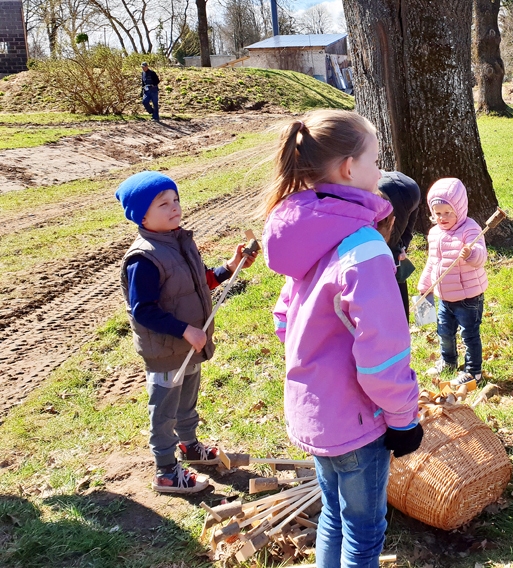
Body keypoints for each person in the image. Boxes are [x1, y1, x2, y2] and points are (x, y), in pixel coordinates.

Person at [262, 110, 423, 568]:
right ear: (350, 169)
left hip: (314, 413)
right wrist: (403, 419)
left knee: (333, 513)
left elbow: (283, 319)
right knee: (365, 531)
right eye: (376, 159)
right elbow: (381, 356)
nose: (380, 170)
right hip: (358, 422)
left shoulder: (307, 234)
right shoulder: (366, 247)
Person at [116, 170, 257, 494]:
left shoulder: (180, 241)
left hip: (189, 344)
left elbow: (198, 282)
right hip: (166, 349)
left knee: (187, 400)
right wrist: (184, 330)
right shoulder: (144, 259)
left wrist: (230, 268)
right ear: (142, 215)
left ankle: (189, 445)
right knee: (165, 409)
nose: (175, 207)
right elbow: (144, 310)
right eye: (163, 204)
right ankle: (166, 470)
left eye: (175, 199)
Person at [417, 178, 488, 389]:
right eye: (437, 213)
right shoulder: (435, 233)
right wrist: (425, 284)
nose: (442, 218)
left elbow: (481, 258)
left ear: (459, 208)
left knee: (469, 334)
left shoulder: (470, 229)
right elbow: (433, 262)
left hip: (468, 298)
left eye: (448, 212)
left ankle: (473, 371)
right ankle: (448, 361)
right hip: (444, 296)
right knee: (444, 331)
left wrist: (471, 253)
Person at [377, 171, 421, 318]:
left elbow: (406, 231)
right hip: (400, 190)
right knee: (389, 247)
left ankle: (400, 319)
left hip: (405, 193)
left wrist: (402, 247)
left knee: (392, 249)